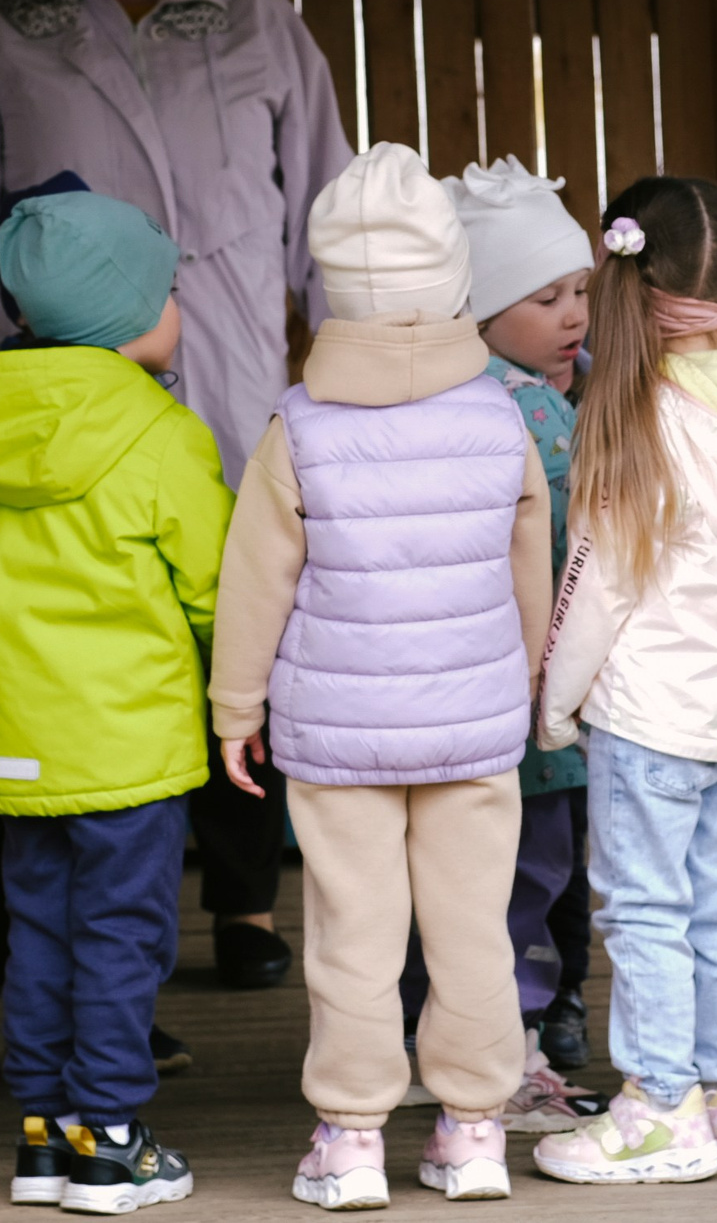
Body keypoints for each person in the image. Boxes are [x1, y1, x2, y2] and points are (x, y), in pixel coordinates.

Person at [0, 0, 351, 992]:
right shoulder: (0, 23)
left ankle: (246, 900)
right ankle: (46, 927)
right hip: (60, 377)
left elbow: (324, 198)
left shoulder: (256, 20)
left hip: (228, 356)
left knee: (248, 601)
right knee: (75, 627)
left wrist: (363, 353)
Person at [208, 144, 551, 1210]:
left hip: (339, 734)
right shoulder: (499, 418)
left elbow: (253, 580)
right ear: (453, 282)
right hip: (472, 729)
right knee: (471, 930)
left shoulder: (295, 428)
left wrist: (236, 705)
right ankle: (474, 1128)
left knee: (351, 937)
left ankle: (351, 1141)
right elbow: (531, 575)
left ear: (329, 289)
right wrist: (533, 691)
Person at [529, 176, 717, 1187]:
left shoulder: (639, 420)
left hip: (651, 718)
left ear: (632, 288)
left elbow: (596, 584)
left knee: (645, 915)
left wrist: (555, 701)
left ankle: (658, 1105)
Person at [0, 190, 231, 1213]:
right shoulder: (163, 437)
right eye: (167, 292)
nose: (177, 310)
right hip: (123, 745)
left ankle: (42, 1137)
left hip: (19, 740)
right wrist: (246, 681)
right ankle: (110, 1138)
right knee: (122, 935)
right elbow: (212, 589)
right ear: (124, 317)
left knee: (40, 931)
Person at [439, 157, 603, 1131]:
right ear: (482, 305)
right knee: (525, 879)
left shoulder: (541, 391)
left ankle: (469, 1038)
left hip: (510, 684)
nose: (572, 313)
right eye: (544, 296)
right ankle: (514, 1056)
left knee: (498, 878)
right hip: (528, 685)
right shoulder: (515, 410)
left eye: (580, 290)